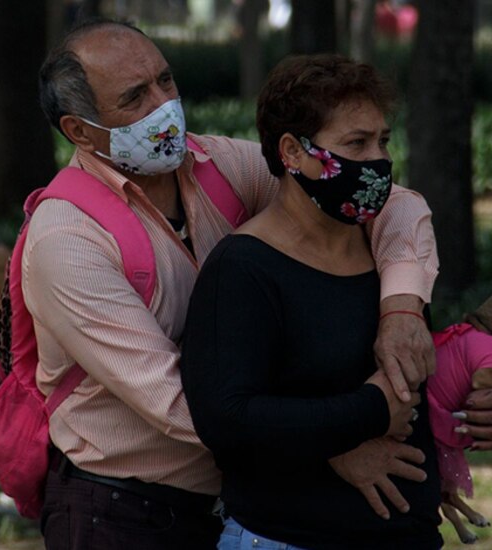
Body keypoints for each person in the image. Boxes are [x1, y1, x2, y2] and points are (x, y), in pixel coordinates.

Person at [28, 18, 492, 549]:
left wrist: (400, 311)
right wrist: (334, 440)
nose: (162, 104)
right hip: (123, 511)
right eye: (134, 96)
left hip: (238, 501)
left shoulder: (216, 165)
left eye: (165, 81)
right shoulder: (67, 239)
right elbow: (185, 401)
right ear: (79, 130)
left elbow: (395, 201)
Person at [181, 53, 447, 549]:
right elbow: (229, 421)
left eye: (383, 140)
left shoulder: (389, 260)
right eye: (356, 143)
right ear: (292, 151)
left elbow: (413, 390)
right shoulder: (243, 269)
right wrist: (366, 412)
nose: (378, 161)